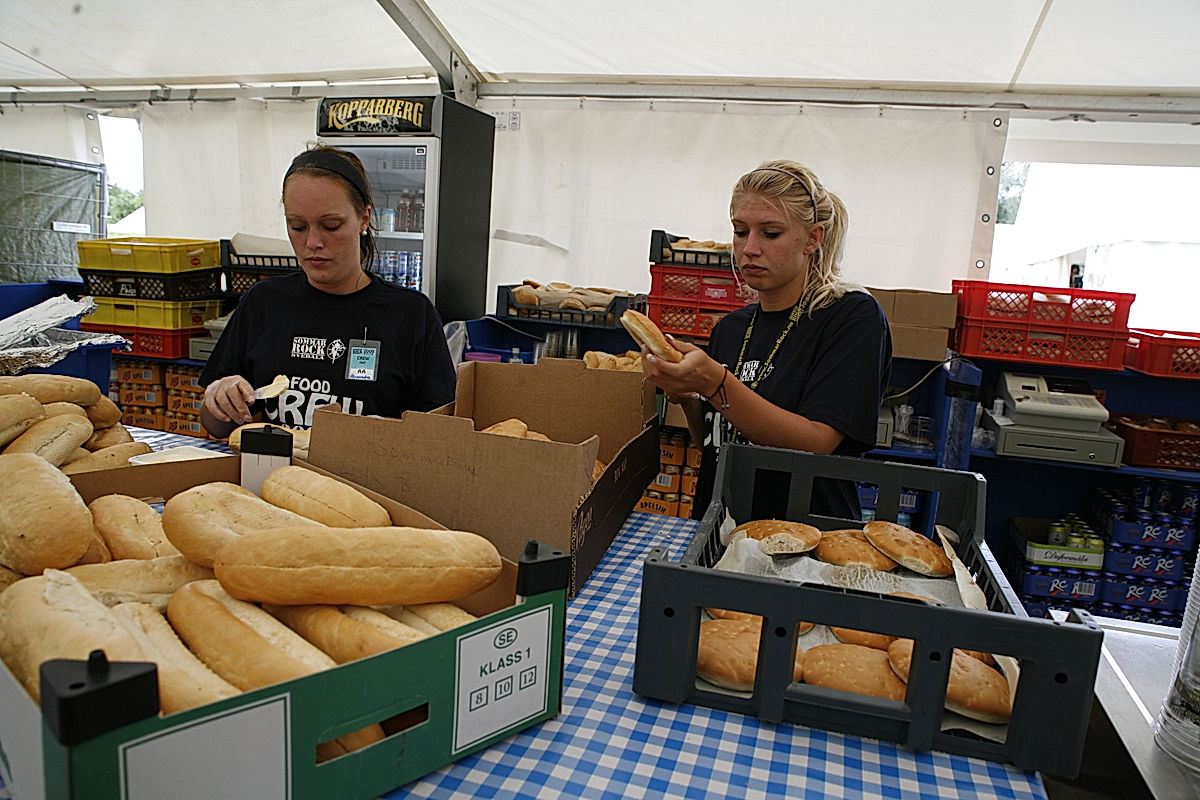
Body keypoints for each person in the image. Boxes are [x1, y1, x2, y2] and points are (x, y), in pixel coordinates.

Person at [641, 160, 892, 520]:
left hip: (806, 535)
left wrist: (714, 382)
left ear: (813, 238)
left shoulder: (850, 316)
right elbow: (718, 443)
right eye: (740, 231)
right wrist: (689, 398)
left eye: (770, 233)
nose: (749, 248)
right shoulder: (731, 329)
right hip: (720, 529)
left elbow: (817, 443)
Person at [200, 144, 455, 438]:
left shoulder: (410, 315)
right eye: (297, 226)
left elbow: (441, 433)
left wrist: (386, 434)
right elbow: (216, 426)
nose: (313, 242)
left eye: (331, 226)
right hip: (275, 467)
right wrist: (218, 399)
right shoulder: (264, 302)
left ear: (364, 219)